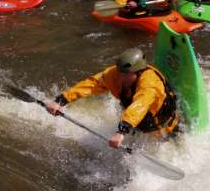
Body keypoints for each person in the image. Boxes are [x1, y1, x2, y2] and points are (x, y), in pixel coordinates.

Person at [46, 48, 179, 149]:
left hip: (165, 124)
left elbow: (141, 104)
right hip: (136, 124)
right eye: (120, 73)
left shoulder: (149, 82)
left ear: (138, 72)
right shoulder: (115, 74)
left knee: (173, 142)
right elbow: (91, 84)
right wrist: (61, 101)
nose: (121, 77)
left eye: (126, 74)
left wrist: (122, 131)